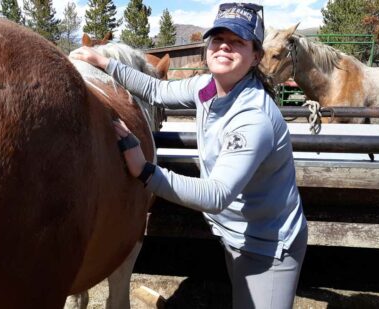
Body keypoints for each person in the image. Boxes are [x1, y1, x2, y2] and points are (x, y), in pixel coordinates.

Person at [72, 2, 307, 308]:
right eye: (218, 38)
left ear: (256, 56)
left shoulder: (252, 118)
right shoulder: (209, 87)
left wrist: (145, 171)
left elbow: (215, 194)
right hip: (235, 231)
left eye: (237, 41)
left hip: (267, 244)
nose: (224, 46)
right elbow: (156, 90)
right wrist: (104, 62)